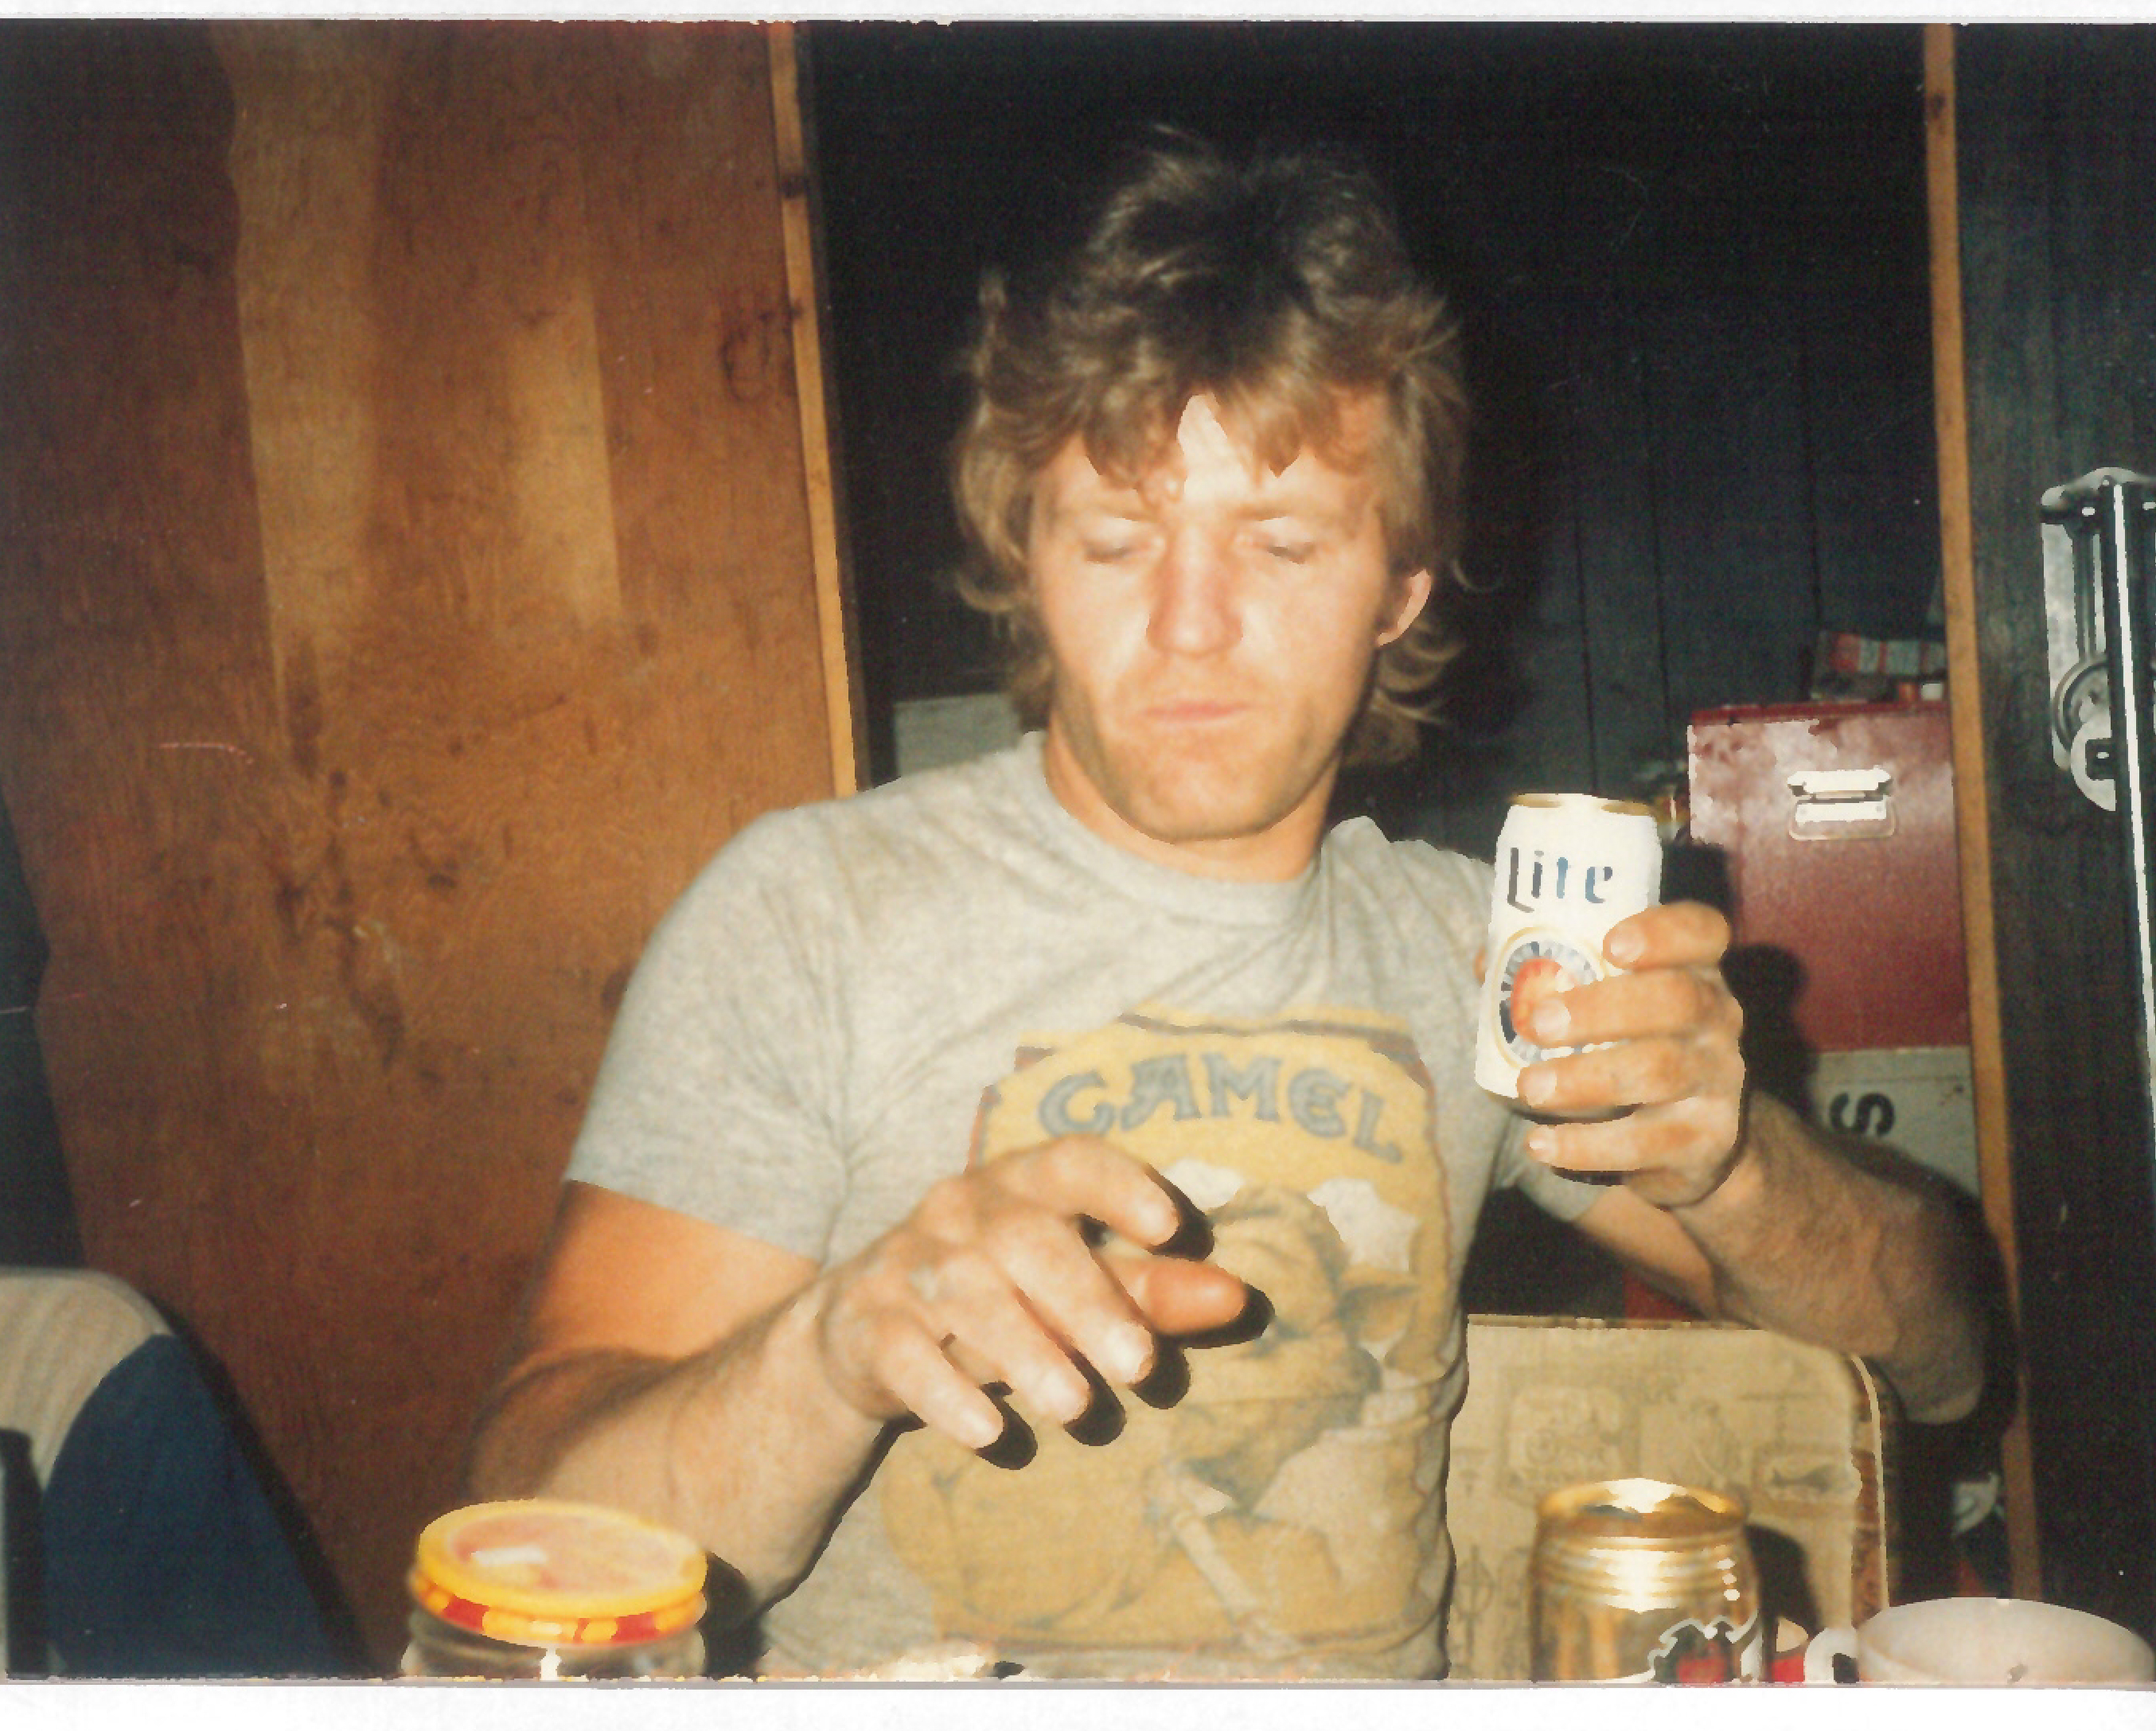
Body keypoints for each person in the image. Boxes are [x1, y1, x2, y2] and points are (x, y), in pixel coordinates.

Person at [467, 138, 1985, 1679]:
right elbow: (527, 1515)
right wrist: (831, 1347)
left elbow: (1937, 1359)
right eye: (1118, 541)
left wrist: (1732, 1161)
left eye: (1280, 542)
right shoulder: (807, 916)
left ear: (1398, 583)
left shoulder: (1478, 950)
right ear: (1027, 556)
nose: (1189, 625)